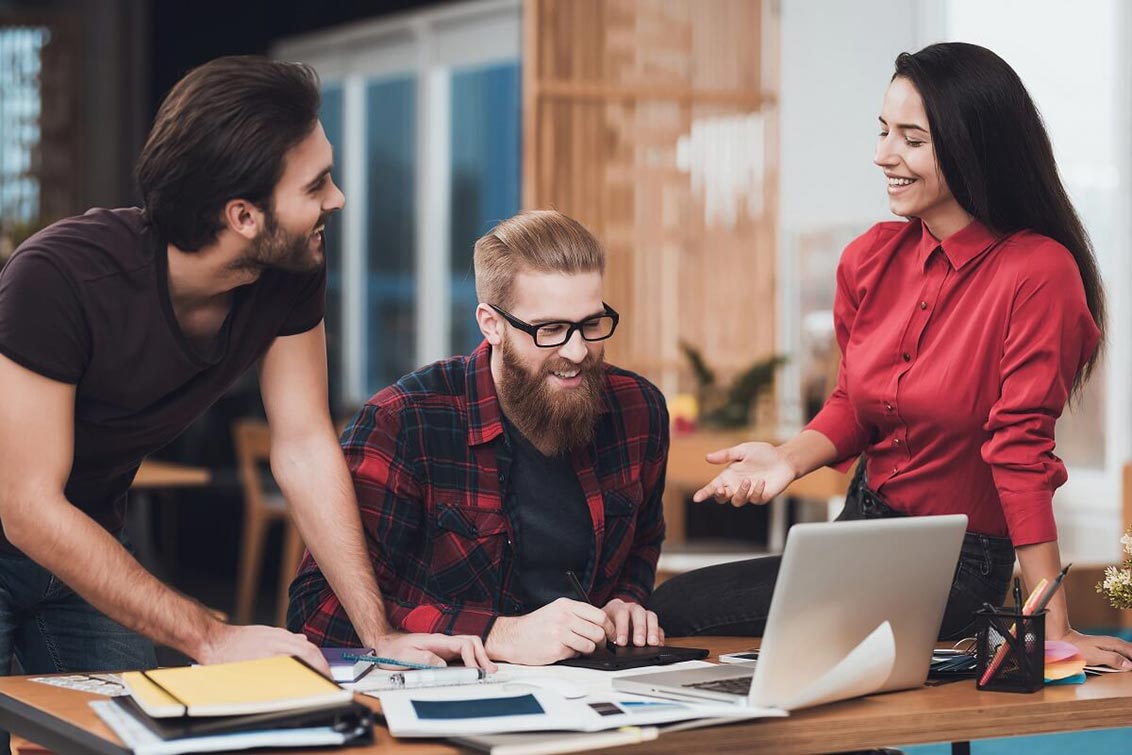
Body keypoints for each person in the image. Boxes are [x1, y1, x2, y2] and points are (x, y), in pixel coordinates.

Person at [0, 56, 490, 693]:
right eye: (316, 186)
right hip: (29, 522)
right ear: (243, 217)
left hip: (85, 543)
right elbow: (26, 506)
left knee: (124, 732)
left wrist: (380, 632)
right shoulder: (58, 279)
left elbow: (305, 443)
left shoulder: (288, 268)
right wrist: (213, 636)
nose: (336, 200)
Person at [651, 42, 1132, 669]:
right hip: (861, 528)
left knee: (671, 612)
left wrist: (1053, 626)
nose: (883, 155)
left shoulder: (1038, 272)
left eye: (911, 138)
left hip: (953, 565)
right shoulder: (870, 258)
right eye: (883, 131)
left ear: (972, 145)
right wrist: (787, 460)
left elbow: (1020, 448)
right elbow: (855, 402)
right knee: (679, 616)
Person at [289, 210, 669, 665]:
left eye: (591, 324)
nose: (576, 352)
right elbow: (317, 613)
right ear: (491, 325)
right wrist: (497, 634)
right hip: (457, 692)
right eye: (549, 330)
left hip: (595, 685)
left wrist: (627, 600)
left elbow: (643, 541)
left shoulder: (639, 409)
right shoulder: (404, 423)